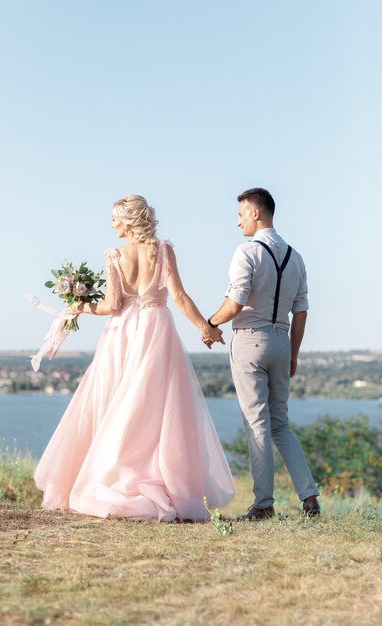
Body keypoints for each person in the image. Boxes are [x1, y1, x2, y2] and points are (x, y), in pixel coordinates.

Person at [34, 195, 236, 521]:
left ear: (127, 222)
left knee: (113, 401)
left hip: (121, 333)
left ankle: (109, 473)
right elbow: (180, 297)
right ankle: (152, 476)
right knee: (154, 408)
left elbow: (112, 306)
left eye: (115, 219)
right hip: (156, 328)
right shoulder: (164, 249)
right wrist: (206, 327)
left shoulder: (115, 255)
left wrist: (78, 305)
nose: (112, 225)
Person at [204, 188, 320, 519]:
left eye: (241, 213)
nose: (238, 220)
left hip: (250, 342)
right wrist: (293, 353)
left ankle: (264, 504)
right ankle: (309, 497)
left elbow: (235, 302)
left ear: (256, 213)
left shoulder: (247, 252)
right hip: (281, 342)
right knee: (281, 423)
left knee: (257, 424)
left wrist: (209, 323)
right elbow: (302, 312)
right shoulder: (296, 257)